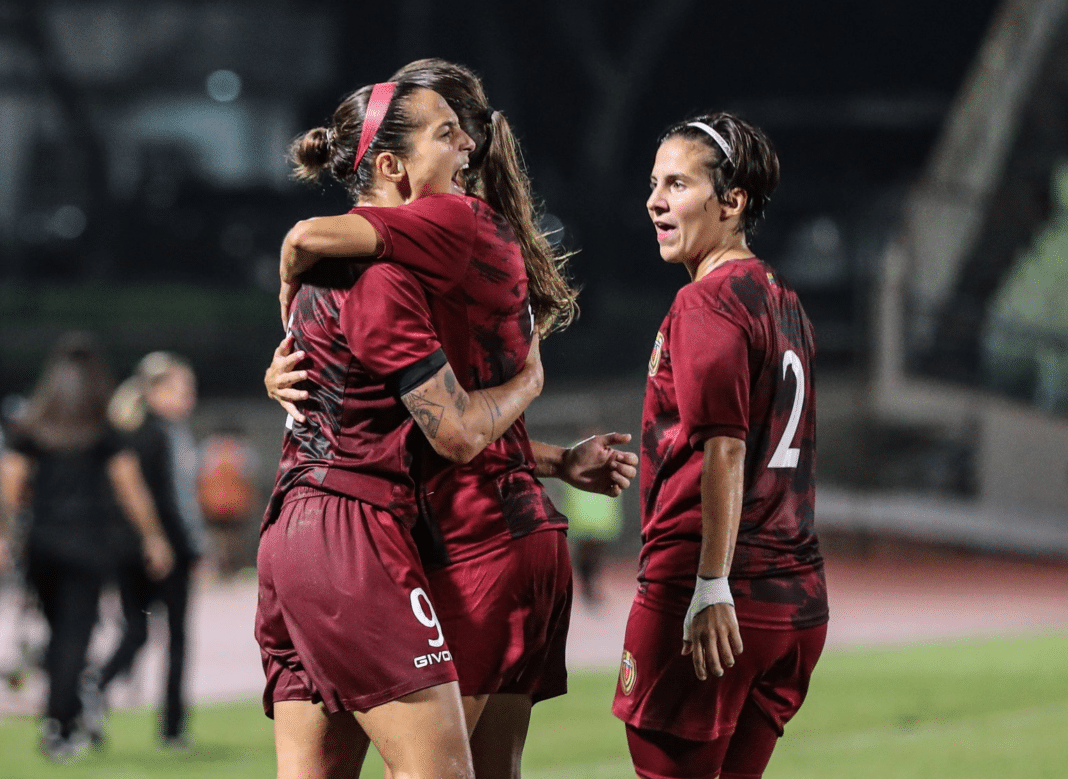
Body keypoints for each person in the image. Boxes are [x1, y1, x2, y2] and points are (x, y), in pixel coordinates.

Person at [265, 57, 638, 779]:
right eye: (446, 133)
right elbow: (460, 431)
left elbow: (317, 276)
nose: (465, 144)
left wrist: (286, 291)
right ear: (394, 166)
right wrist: (530, 383)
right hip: (400, 532)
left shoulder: (384, 254)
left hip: (293, 531)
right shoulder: (414, 256)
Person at [611, 114, 829, 779]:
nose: (654, 199)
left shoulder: (707, 303)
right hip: (795, 599)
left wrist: (709, 583)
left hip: (711, 596)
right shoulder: (785, 302)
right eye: (654, 183)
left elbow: (725, 447)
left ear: (731, 202)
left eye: (677, 183)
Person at [0, 332, 173, 761]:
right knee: (76, 633)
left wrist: (7, 533)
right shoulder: (102, 428)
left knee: (58, 632)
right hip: (88, 542)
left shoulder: (34, 427)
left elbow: (12, 483)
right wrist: (153, 536)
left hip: (42, 541)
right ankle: (61, 724)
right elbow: (129, 486)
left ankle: (59, 721)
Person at [86, 351, 207, 749]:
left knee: (136, 631)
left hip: (125, 547)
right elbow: (174, 499)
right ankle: (173, 727)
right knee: (176, 637)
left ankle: (94, 688)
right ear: (154, 390)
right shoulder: (163, 433)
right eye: (179, 386)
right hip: (164, 546)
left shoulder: (126, 431)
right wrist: (187, 544)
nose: (188, 395)